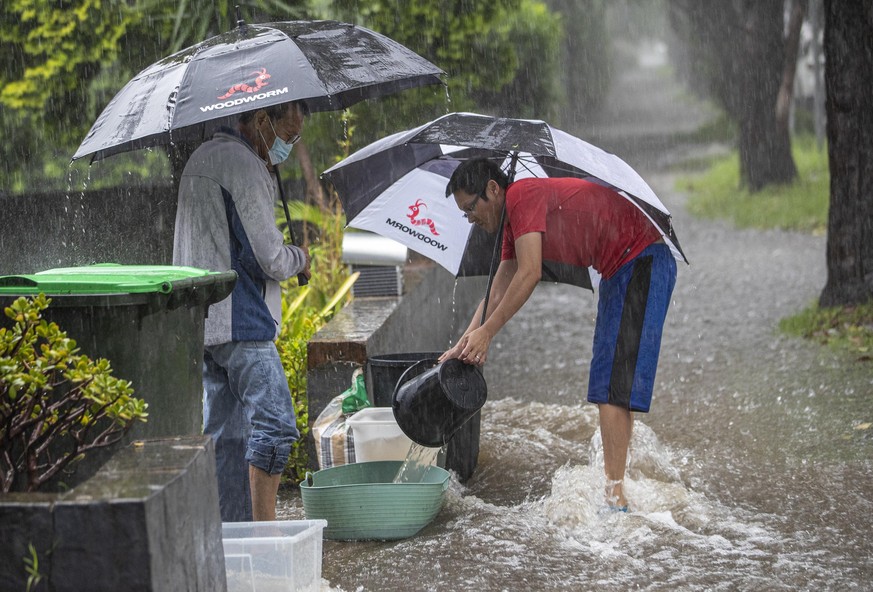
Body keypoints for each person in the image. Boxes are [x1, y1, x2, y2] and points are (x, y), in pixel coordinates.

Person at [439, 157, 677, 511]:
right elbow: (502, 281)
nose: (471, 218)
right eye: (465, 213)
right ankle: (618, 485)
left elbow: (530, 272)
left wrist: (488, 333)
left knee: (612, 387)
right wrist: (465, 339)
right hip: (618, 269)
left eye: (471, 208)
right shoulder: (510, 222)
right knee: (610, 385)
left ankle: (615, 497)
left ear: (492, 189)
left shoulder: (523, 195)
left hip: (641, 260)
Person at [173, 100, 311, 522]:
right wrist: (300, 259)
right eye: (287, 135)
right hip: (240, 321)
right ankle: (265, 536)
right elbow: (267, 256)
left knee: (227, 438)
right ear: (262, 120)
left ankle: (228, 541)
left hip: (202, 322)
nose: (288, 145)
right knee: (276, 425)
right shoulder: (243, 165)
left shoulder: (201, 157)